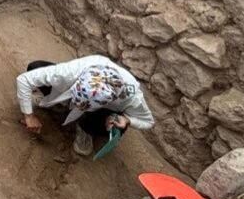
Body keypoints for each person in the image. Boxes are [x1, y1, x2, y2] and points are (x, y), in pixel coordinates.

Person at [15, 55, 155, 157]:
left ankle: (85, 129)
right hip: (70, 87)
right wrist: (29, 115)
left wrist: (127, 119)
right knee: (35, 66)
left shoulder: (132, 98)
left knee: (116, 124)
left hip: (101, 113)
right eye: (76, 101)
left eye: (81, 105)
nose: (77, 106)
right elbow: (24, 80)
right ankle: (62, 102)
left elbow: (148, 121)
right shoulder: (72, 71)